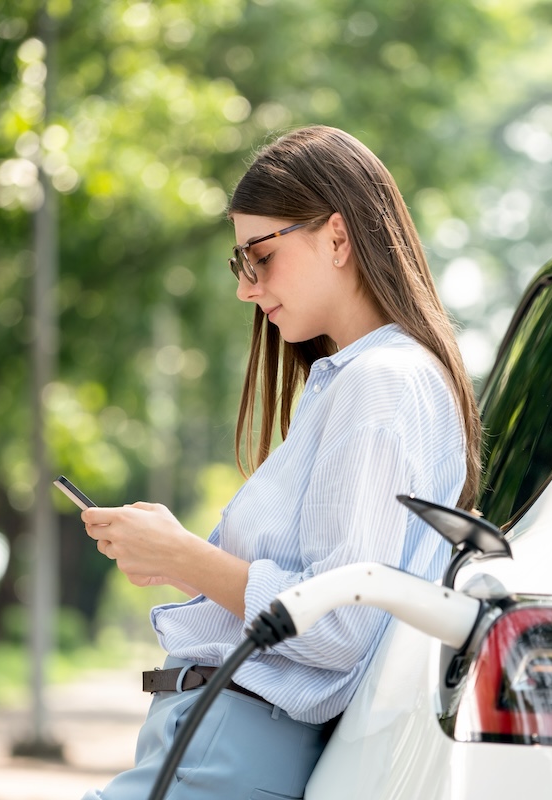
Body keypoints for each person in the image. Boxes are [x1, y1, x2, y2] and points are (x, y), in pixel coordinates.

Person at [79, 125, 482, 800]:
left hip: (233, 743)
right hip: (217, 739)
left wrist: (184, 556)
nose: (246, 287)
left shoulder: (378, 381)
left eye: (259, 256)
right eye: (240, 263)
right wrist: (179, 559)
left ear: (337, 237)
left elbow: (337, 622)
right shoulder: (367, 379)